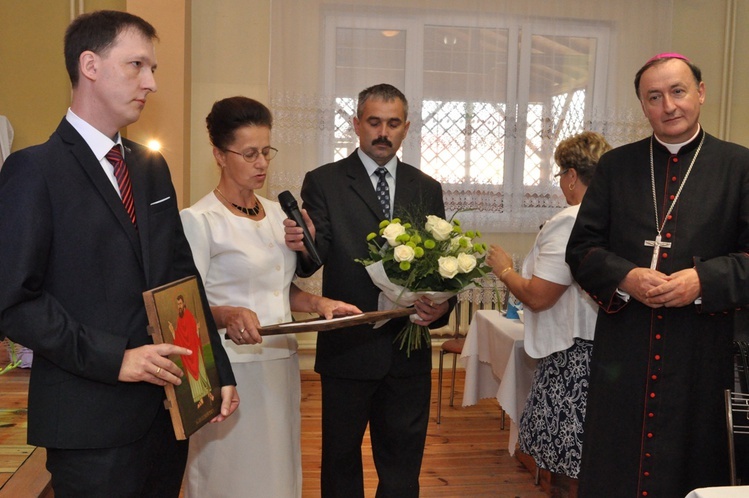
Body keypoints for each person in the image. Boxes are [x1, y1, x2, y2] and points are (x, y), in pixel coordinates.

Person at [0, 10, 237, 498]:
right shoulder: (34, 170)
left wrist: (213, 373)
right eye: (137, 65)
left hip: (167, 414)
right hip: (89, 423)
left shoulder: (150, 168)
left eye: (153, 69)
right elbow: (15, 301)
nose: (150, 82)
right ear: (90, 64)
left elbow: (180, 278)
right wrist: (116, 360)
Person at [565, 53, 749, 497]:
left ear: (700, 94)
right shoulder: (615, 167)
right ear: (643, 106)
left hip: (702, 351)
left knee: (696, 462)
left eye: (678, 92)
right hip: (625, 350)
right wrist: (627, 277)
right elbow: (582, 249)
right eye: (654, 97)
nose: (668, 106)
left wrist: (702, 281)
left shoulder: (739, 166)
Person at [179, 96, 361, 498]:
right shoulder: (200, 220)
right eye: (249, 153)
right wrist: (228, 314)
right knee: (230, 473)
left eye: (266, 151)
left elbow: (279, 288)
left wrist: (318, 303)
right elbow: (184, 307)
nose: (261, 163)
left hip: (280, 361)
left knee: (278, 472)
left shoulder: (278, 213)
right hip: (230, 368)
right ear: (219, 155)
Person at [300, 83, 452, 498]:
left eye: (393, 123)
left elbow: (442, 267)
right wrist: (303, 243)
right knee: (340, 461)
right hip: (348, 348)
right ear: (356, 125)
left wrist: (442, 307)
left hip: (409, 351)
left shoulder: (427, 188)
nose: (382, 132)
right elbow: (309, 262)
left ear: (406, 128)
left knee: (403, 464)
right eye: (373, 122)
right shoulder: (324, 182)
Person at [487, 132, 608, 481]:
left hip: (573, 355)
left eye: (560, 175)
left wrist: (505, 270)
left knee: (572, 458)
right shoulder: (611, 215)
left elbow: (540, 295)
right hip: (598, 348)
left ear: (571, 175)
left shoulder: (572, 220)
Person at [169, 295, 213, 408]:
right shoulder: (179, 319)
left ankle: (209, 393)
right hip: (187, 353)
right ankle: (200, 399)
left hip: (194, 348)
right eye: (177, 304)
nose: (179, 306)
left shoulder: (189, 315)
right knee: (193, 378)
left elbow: (193, 333)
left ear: (183, 303)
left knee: (201, 371)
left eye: (180, 303)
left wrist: (197, 329)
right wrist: (173, 331)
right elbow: (180, 337)